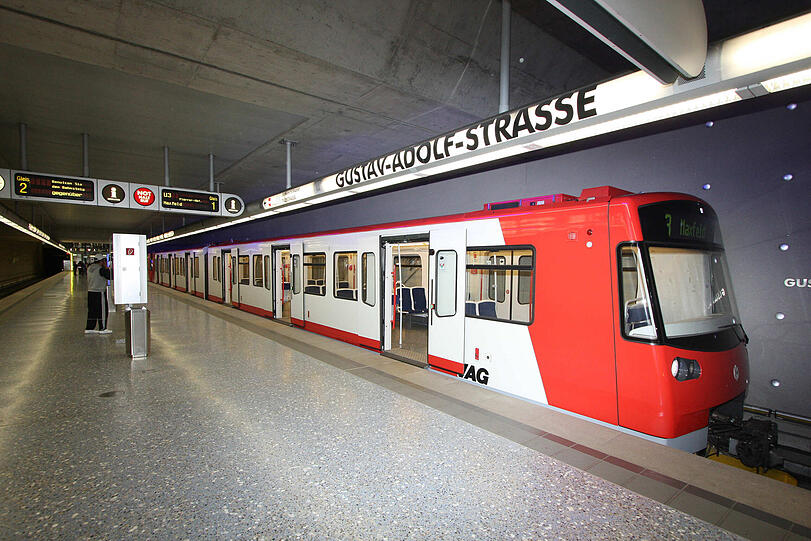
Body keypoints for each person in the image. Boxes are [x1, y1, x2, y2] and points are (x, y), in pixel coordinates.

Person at [85, 257, 112, 334]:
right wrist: (107, 268)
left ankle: (89, 328)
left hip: (90, 292)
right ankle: (103, 328)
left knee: (92, 311)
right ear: (101, 261)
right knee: (102, 310)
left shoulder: (89, 268)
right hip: (99, 292)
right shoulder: (101, 269)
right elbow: (109, 276)